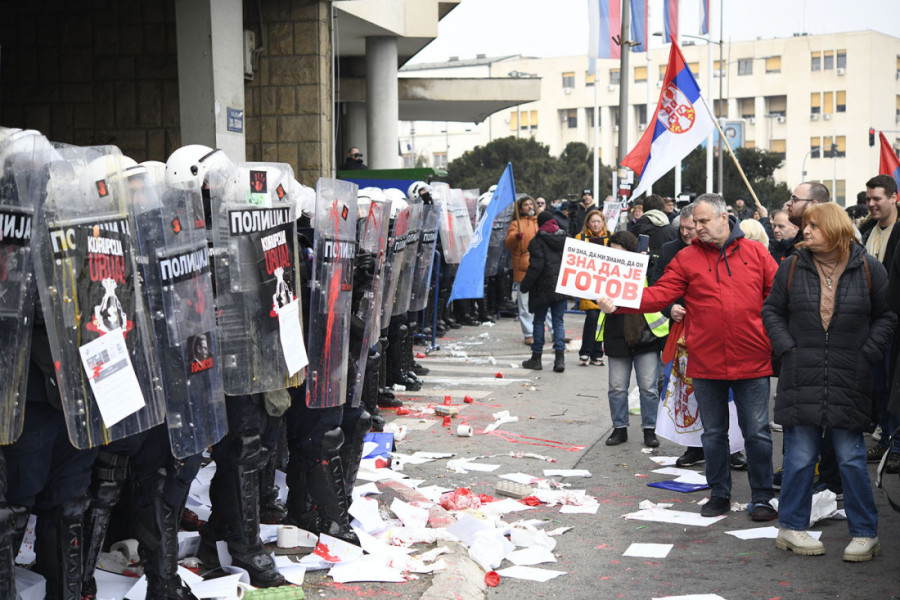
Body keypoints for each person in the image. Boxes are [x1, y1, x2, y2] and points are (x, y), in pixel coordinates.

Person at [599, 193, 779, 520]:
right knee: (713, 433)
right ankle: (720, 493)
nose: (697, 227)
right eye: (695, 222)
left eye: (703, 221)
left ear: (724, 218)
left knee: (757, 433)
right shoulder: (687, 258)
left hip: (752, 360)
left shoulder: (756, 253)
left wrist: (769, 337)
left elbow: (776, 299)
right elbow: (659, 295)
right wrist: (618, 301)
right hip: (706, 361)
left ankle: (763, 497)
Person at [762, 203, 895, 561]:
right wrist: (787, 347)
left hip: (849, 374)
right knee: (800, 457)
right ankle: (791, 527)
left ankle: (865, 533)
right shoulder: (792, 266)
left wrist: (868, 352)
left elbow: (887, 315)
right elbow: (771, 310)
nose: (806, 231)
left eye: (814, 226)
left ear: (835, 229)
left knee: (851, 457)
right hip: (801, 373)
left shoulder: (868, 267)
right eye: (805, 225)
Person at [597, 231, 668, 448]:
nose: (617, 257)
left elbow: (658, 286)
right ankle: (619, 428)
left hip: (646, 336)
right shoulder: (605, 273)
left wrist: (646, 262)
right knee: (617, 387)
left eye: (621, 252)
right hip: (616, 336)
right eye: (613, 252)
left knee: (648, 388)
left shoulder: (647, 267)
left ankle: (650, 430)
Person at [859, 174, 900, 473]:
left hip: (895, 322)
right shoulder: (865, 231)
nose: (871, 204)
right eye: (868, 199)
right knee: (880, 387)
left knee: (895, 387)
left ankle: (897, 447)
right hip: (869, 323)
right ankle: (885, 440)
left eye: (877, 199)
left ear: (894, 198)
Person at [520, 211, 568, 372]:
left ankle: (536, 358)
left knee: (539, 321)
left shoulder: (537, 241)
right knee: (558, 322)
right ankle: (559, 359)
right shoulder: (565, 238)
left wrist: (525, 285)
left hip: (542, 288)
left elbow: (536, 266)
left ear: (540, 224)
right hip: (561, 286)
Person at [505, 196, 543, 346]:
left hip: (540, 266)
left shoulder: (540, 221)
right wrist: (516, 237)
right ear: (520, 209)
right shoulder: (516, 224)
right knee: (524, 304)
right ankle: (529, 333)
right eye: (525, 205)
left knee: (544, 302)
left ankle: (554, 332)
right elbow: (508, 243)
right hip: (523, 267)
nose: (529, 206)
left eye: (530, 204)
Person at [575, 210, 610, 366]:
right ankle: (585, 352)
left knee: (602, 320)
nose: (596, 224)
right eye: (593, 221)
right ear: (588, 223)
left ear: (603, 222)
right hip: (588, 283)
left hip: (605, 283)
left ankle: (597, 354)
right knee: (592, 317)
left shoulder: (610, 237)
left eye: (598, 221)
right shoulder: (580, 238)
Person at [628, 194, 678, 272]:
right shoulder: (672, 231)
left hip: (639, 273)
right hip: (665, 273)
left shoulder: (635, 229)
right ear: (662, 209)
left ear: (644, 209)